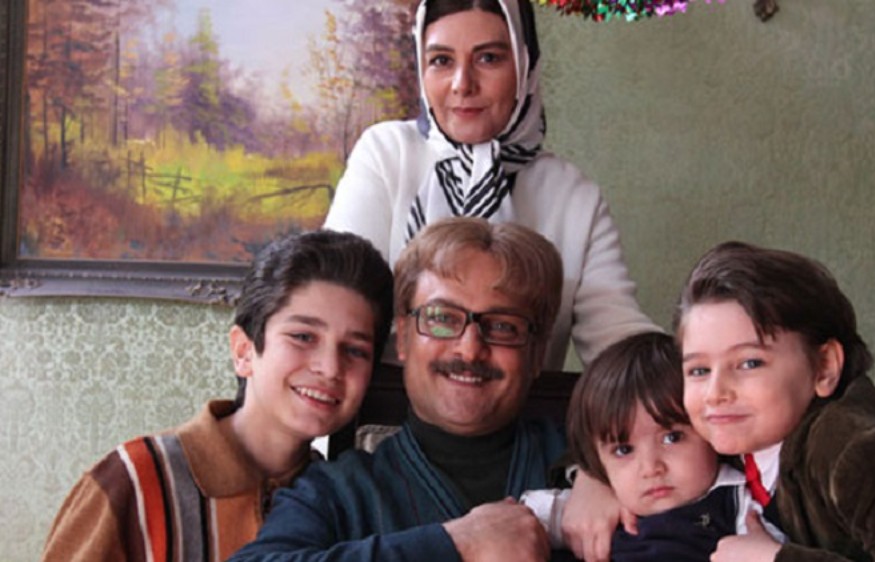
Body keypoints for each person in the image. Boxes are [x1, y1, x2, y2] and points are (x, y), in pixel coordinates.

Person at [324, 0, 659, 370]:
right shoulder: (387, 153)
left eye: (488, 58)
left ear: (524, 65)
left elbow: (617, 335)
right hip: (385, 404)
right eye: (441, 60)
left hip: (519, 407)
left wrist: (693, 367)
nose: (462, 84)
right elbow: (334, 297)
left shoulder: (572, 195)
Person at [230, 217, 576, 562]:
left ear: (537, 354)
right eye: (442, 318)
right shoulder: (337, 491)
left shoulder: (588, 463)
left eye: (503, 326)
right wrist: (454, 544)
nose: (470, 350)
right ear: (404, 338)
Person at [40, 230, 394, 562]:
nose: (330, 368)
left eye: (355, 350)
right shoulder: (133, 478)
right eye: (303, 337)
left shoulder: (346, 499)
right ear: (243, 351)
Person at [674, 241, 875, 562]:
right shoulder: (720, 446)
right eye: (699, 370)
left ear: (825, 366)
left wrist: (776, 559)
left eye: (750, 363)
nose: (716, 392)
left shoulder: (863, 451)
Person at [523, 332, 776, 562]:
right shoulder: (600, 505)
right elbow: (517, 522)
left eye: (672, 438)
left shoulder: (738, 501)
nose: (651, 468)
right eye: (624, 450)